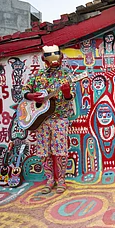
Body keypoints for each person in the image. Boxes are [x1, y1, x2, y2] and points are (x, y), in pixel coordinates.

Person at [22, 45, 74, 194]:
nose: (53, 60)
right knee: (43, 151)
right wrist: (30, 96)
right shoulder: (38, 75)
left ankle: (61, 180)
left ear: (61, 57)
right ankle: (50, 180)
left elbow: (71, 98)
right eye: (50, 57)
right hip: (41, 119)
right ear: (44, 59)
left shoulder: (66, 74)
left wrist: (66, 93)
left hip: (60, 117)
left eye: (56, 57)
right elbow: (25, 90)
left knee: (60, 150)